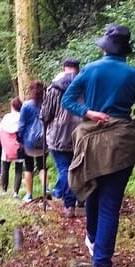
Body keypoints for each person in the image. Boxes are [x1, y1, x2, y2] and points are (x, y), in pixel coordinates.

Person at [62, 24, 135, 267]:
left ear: (105, 46)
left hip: (89, 141)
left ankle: (93, 240)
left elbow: (67, 100)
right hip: (119, 144)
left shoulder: (90, 70)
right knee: (110, 204)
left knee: (92, 190)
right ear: (125, 49)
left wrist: (89, 113)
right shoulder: (134, 75)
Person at [41, 57, 82, 218]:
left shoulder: (54, 88)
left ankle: (69, 205)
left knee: (65, 170)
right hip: (81, 134)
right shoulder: (85, 85)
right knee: (79, 169)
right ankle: (79, 198)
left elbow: (46, 114)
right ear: (77, 69)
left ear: (64, 68)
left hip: (58, 136)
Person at [17, 80, 47, 203]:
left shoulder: (27, 105)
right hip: (44, 141)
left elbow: (22, 125)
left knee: (28, 167)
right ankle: (46, 190)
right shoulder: (46, 104)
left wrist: (19, 138)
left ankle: (29, 195)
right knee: (42, 166)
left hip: (28, 141)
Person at [0, 97, 24, 198]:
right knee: (18, 170)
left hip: (6, 147)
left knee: (5, 169)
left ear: (12, 106)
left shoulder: (7, 117)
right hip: (19, 147)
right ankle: (15, 193)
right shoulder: (22, 117)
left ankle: (4, 190)